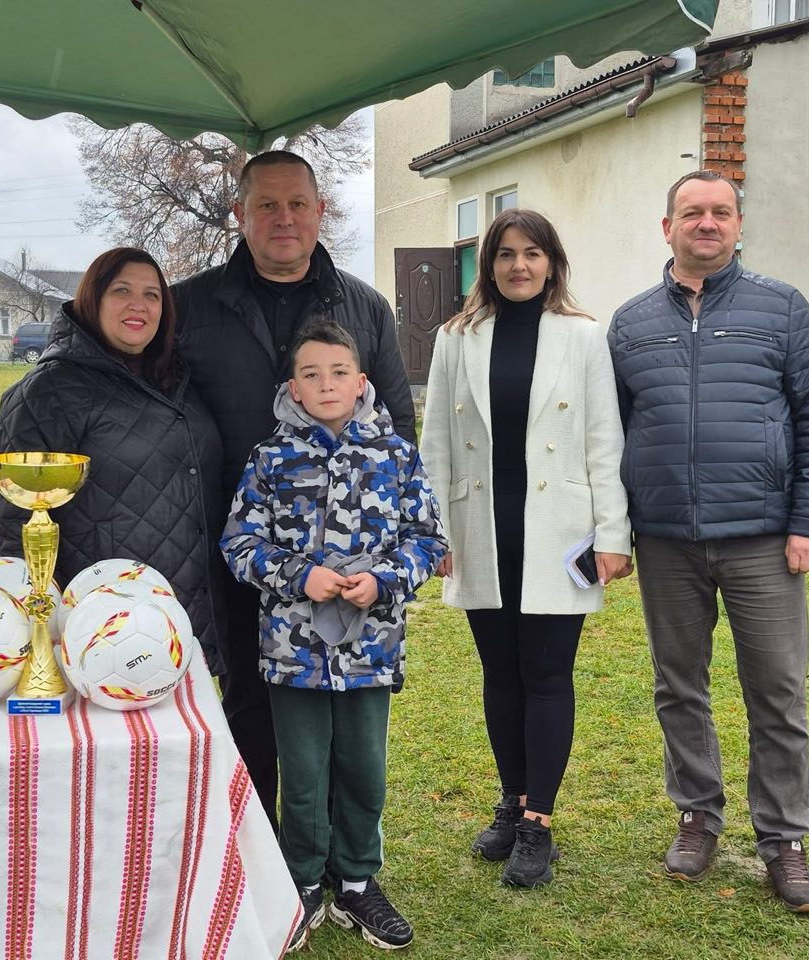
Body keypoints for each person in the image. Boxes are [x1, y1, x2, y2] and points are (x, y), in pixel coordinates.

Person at [607, 170, 809, 913]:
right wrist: (617, 529)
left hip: (764, 540)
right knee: (679, 685)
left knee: (776, 690)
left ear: (739, 225)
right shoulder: (631, 323)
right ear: (666, 225)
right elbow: (605, 435)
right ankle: (697, 817)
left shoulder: (782, 309)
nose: (705, 223)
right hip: (668, 539)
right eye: (691, 212)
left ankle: (783, 841)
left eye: (720, 213)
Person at [173, 150, 414, 829]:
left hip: (345, 567)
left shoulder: (363, 308)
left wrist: (384, 554)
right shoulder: (189, 307)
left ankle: (345, 868)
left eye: (298, 204)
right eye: (267, 205)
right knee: (249, 698)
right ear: (239, 215)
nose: (284, 219)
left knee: (343, 715)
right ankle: (260, 855)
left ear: (320, 211)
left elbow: (398, 429)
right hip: (233, 544)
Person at [419, 208, 632, 889]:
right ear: (488, 266)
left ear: (551, 262)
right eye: (506, 254)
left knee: (546, 674)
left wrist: (613, 536)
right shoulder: (457, 338)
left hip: (560, 531)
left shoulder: (582, 336)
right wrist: (434, 534)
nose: (518, 265)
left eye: (531, 253)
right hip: (483, 527)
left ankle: (539, 822)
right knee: (500, 674)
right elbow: (437, 446)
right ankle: (511, 804)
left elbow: (605, 440)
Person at [221, 319, 445, 952]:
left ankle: (356, 881)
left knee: (364, 768)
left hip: (369, 650)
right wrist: (298, 575)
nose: (326, 384)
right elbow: (238, 542)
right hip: (293, 652)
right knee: (304, 769)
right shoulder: (269, 458)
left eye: (339, 372)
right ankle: (301, 883)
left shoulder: (396, 455)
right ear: (292, 385)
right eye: (311, 374)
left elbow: (428, 540)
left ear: (361, 381)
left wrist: (386, 580)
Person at [0, 246, 224, 674]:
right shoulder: (49, 392)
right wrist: (48, 620)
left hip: (185, 616)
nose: (139, 305)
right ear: (92, 299)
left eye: (153, 295)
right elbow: (14, 522)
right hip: (105, 630)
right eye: (122, 291)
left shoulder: (179, 378)